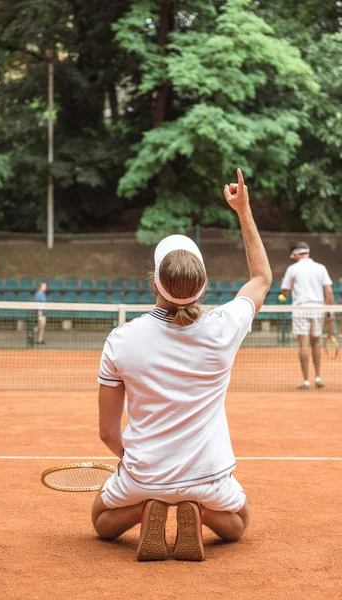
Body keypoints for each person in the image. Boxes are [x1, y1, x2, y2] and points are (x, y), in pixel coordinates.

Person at [92, 169, 272, 562]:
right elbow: (261, 276)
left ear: (154, 283)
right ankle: (200, 511)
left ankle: (145, 509)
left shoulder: (121, 341)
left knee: (101, 519)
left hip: (145, 475)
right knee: (239, 523)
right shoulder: (225, 327)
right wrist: (242, 210)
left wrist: (140, 468)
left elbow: (108, 433)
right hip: (209, 475)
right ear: (204, 287)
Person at [281, 241, 334, 389]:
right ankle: (318, 377)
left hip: (301, 309)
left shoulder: (292, 269)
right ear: (308, 252)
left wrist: (285, 289)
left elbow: (285, 292)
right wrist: (330, 311)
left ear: (296, 254)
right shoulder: (320, 268)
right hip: (318, 308)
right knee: (315, 342)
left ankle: (306, 381)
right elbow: (329, 291)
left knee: (303, 344)